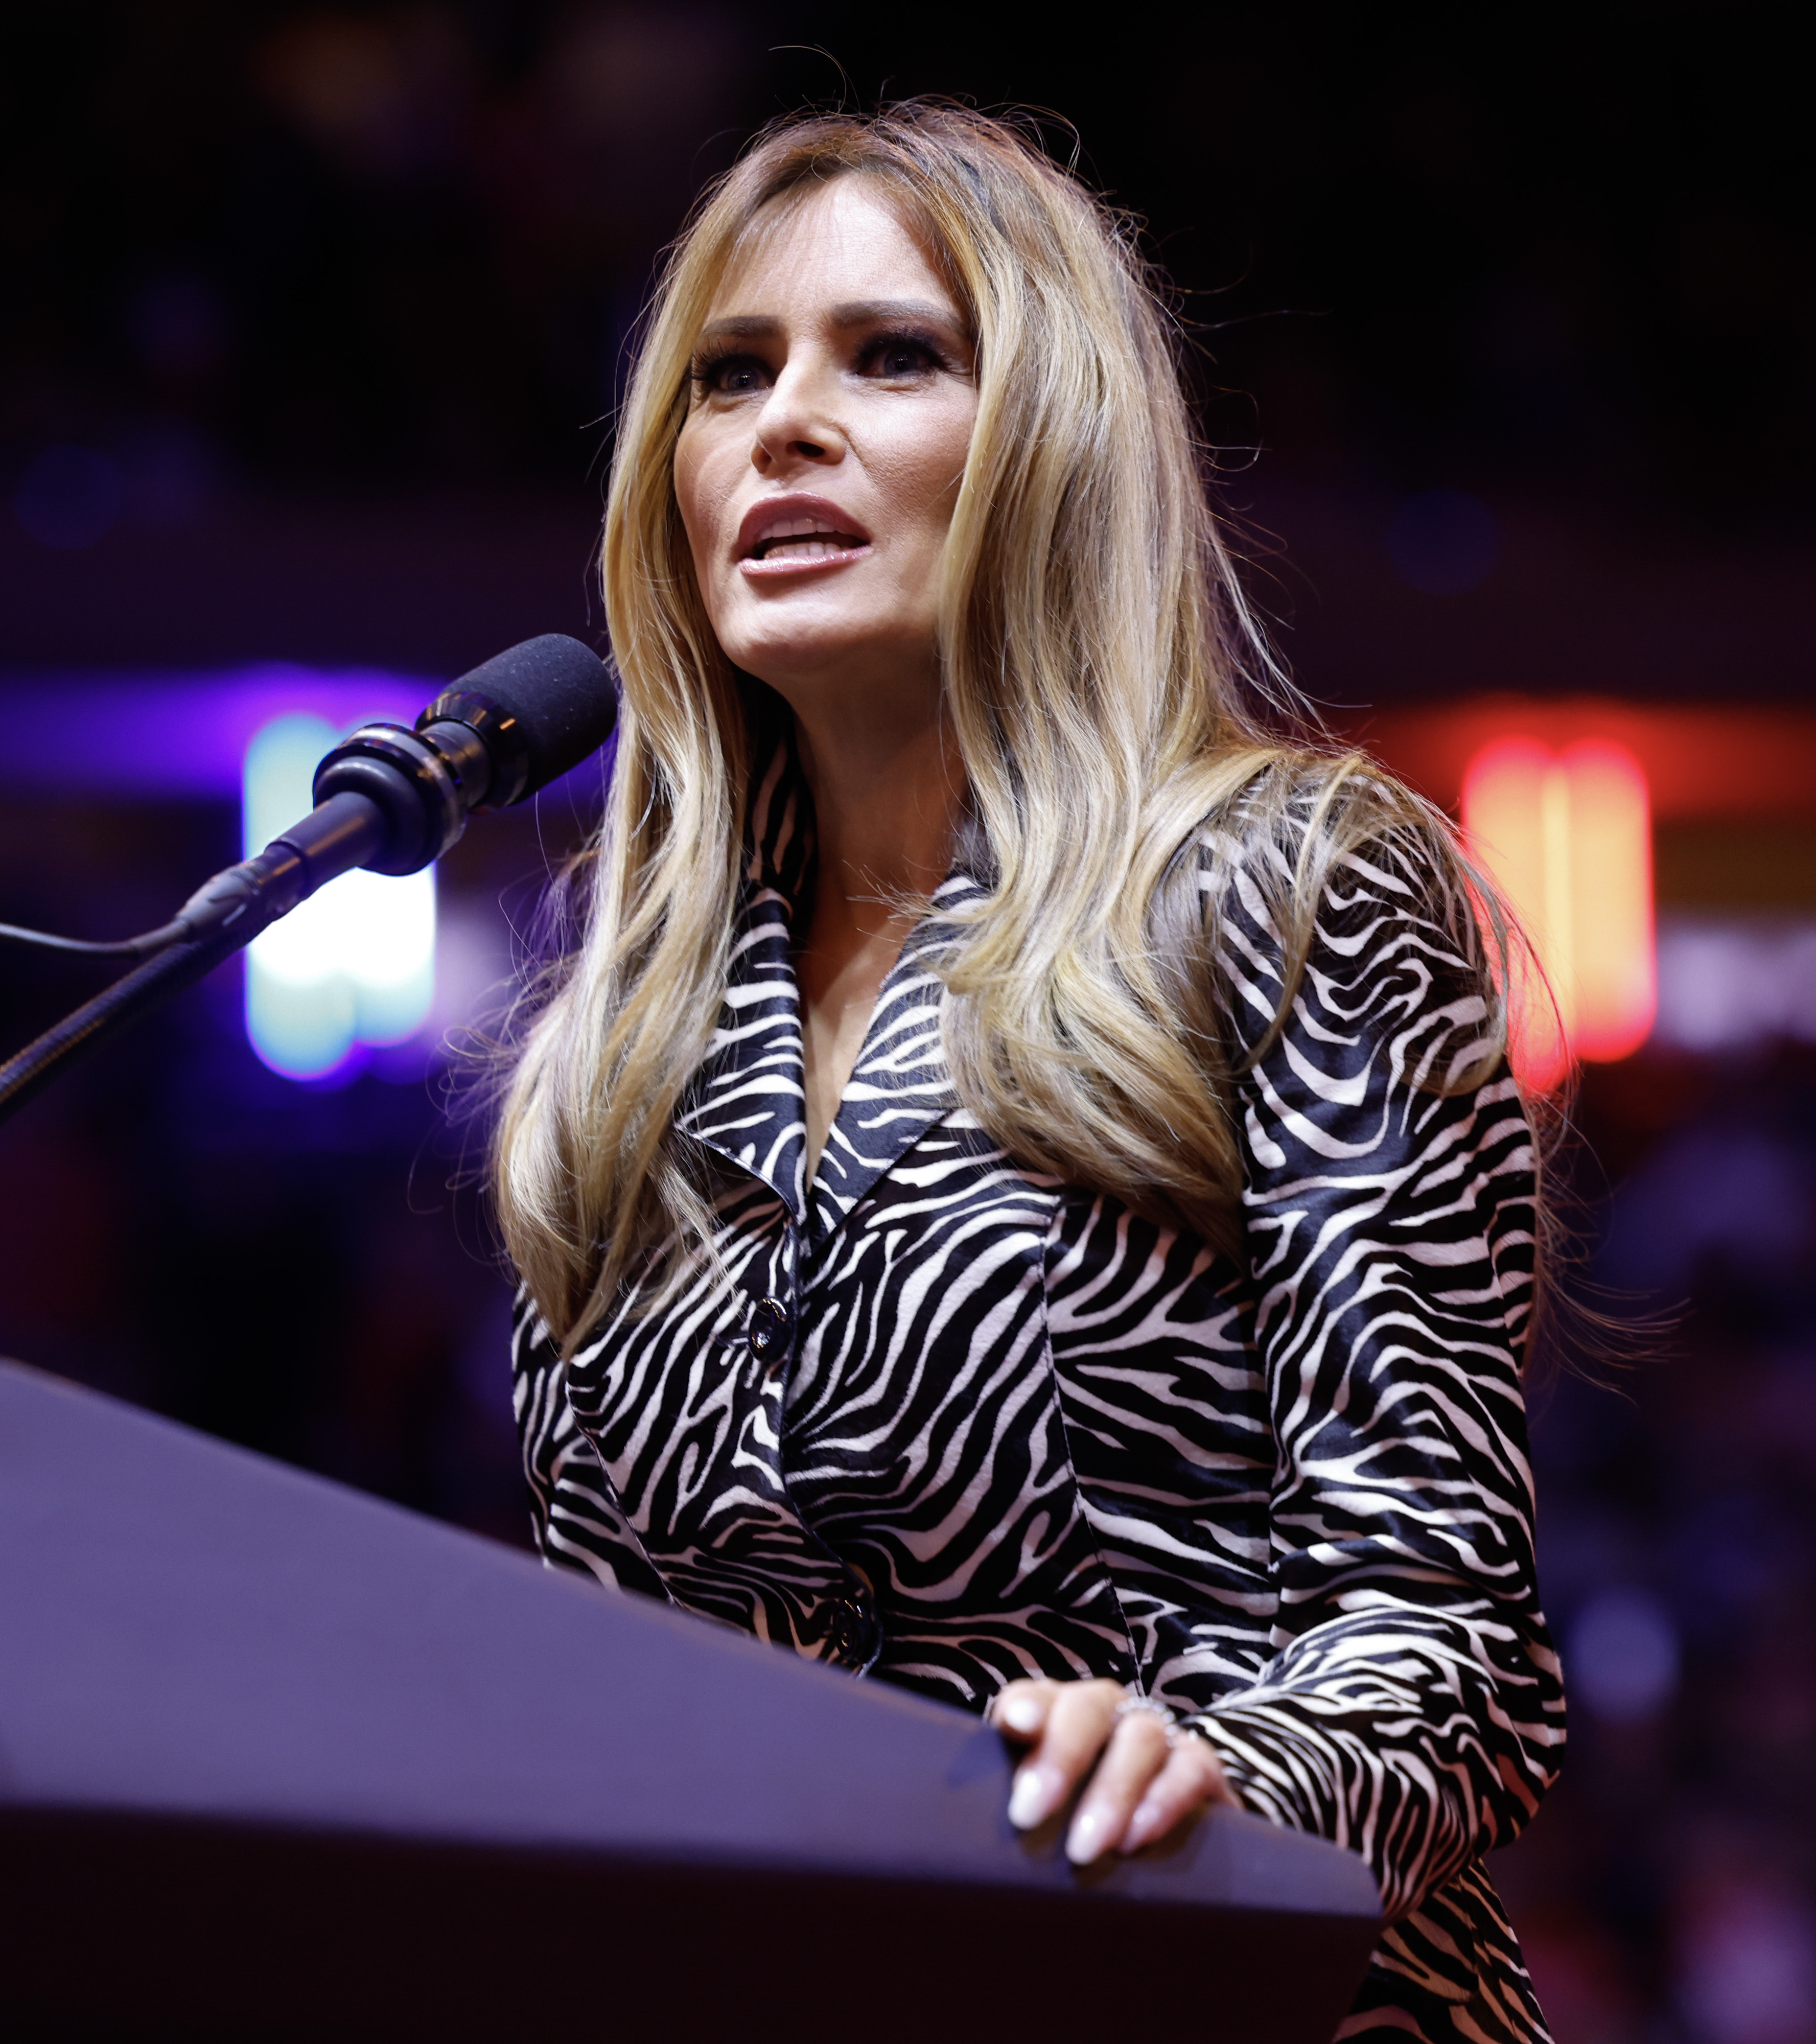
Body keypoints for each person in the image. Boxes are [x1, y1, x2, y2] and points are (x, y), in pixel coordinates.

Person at [494, 100, 1565, 2041]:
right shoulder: (621, 1042)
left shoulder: (1289, 885)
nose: (780, 426)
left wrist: (1217, 1773)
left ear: (1051, 436)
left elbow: (1452, 1655)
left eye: (890, 355)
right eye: (727, 376)